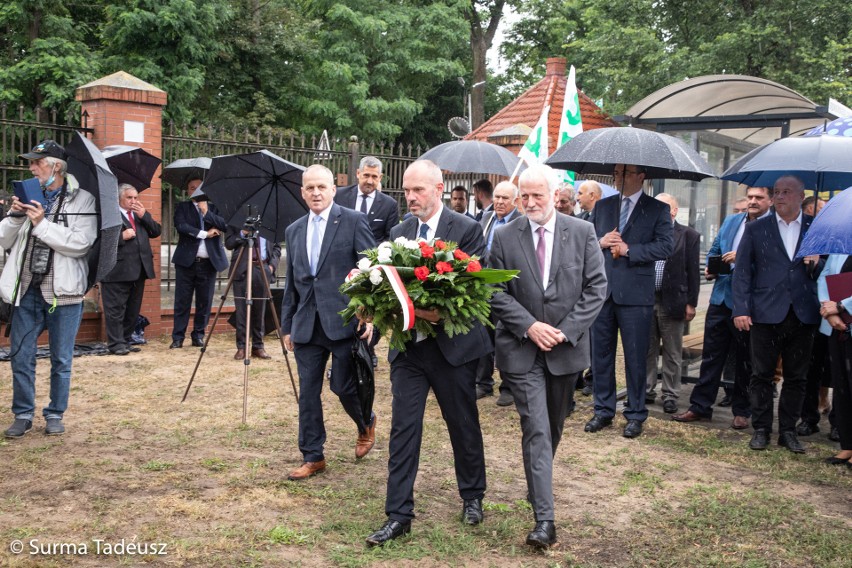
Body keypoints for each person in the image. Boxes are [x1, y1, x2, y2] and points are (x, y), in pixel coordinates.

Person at [366, 160, 491, 546]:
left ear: (439, 188)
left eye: (418, 190)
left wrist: (422, 307)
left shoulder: (467, 230)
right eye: (406, 190)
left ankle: (472, 495)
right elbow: (387, 284)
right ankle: (398, 514)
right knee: (404, 428)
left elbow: (467, 291)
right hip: (409, 350)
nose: (411, 197)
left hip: (453, 349)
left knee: (462, 423)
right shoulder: (399, 231)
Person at [489, 164, 606, 549]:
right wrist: (529, 326)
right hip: (521, 350)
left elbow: (596, 287)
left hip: (565, 351)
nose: (531, 202)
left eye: (538, 195)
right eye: (525, 196)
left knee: (554, 425)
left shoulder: (582, 233)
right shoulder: (505, 236)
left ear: (555, 195)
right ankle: (545, 520)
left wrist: (566, 331)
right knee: (535, 427)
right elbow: (495, 292)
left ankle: (537, 483)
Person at [281, 164, 377, 480]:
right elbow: (292, 282)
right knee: (307, 393)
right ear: (302, 192)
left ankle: (366, 422)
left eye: (322, 187)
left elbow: (371, 272)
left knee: (343, 386)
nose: (316, 193)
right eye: (310, 188)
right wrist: (286, 326)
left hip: (344, 320)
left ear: (334, 189)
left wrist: (368, 313)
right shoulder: (293, 231)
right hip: (307, 324)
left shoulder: (352, 221)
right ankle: (313, 455)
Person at [1, 140, 97, 438]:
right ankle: (23, 413)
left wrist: (42, 224)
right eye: (30, 163)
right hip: (27, 289)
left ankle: (55, 413)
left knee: (61, 358)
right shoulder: (26, 197)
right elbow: (3, 242)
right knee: (20, 354)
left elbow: (81, 243)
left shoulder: (83, 201)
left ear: (56, 166)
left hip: (64, 293)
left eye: (37, 163)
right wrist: (16, 216)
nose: (31, 168)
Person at [732, 175, 822, 453]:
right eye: (777, 192)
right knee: (761, 375)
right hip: (764, 312)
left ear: (800, 196)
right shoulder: (758, 228)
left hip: (803, 313)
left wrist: (816, 264)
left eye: (786, 192)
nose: (780, 196)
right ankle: (761, 429)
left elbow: (829, 272)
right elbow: (743, 272)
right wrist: (741, 308)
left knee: (797, 377)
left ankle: (787, 430)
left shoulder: (815, 229)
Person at [585, 164, 673, 439]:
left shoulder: (656, 209)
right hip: (603, 293)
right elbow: (586, 241)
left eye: (625, 172)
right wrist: (600, 242)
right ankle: (603, 409)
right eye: (616, 172)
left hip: (636, 295)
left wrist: (629, 249)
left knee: (636, 358)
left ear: (641, 175)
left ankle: (635, 413)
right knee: (600, 355)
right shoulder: (602, 207)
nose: (618, 177)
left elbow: (666, 246)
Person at [673, 186, 772, 429]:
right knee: (711, 357)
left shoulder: (772, 227)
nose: (753, 201)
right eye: (750, 197)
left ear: (770, 200)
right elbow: (715, 249)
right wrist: (713, 265)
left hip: (749, 304)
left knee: (745, 360)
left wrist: (743, 258)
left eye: (759, 197)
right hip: (721, 300)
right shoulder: (732, 221)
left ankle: (742, 409)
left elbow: (773, 265)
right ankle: (700, 406)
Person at [644, 194, 700, 414]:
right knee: (647, 349)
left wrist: (691, 303)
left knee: (672, 351)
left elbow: (693, 272)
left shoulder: (688, 235)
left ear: (674, 211)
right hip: (646, 300)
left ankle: (670, 394)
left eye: (663, 207)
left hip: (674, 301)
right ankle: (646, 390)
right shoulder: (647, 233)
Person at [100, 184, 161, 356]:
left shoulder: (138, 214)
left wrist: (145, 215)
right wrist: (121, 237)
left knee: (132, 310)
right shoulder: (109, 215)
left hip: (139, 270)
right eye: (129, 198)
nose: (134, 201)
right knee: (116, 310)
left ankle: (126, 340)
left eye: (136, 197)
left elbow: (156, 231)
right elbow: (100, 241)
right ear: (119, 198)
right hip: (117, 271)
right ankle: (115, 343)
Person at [170, 179, 229, 348]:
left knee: (204, 301)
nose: (195, 191)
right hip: (186, 263)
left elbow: (225, 225)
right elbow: (181, 226)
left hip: (208, 263)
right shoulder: (183, 207)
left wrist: (205, 212)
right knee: (182, 301)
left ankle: (198, 335)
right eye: (192, 188)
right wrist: (204, 233)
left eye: (199, 188)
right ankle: (178, 337)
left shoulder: (215, 207)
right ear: (188, 191)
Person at [477, 181, 521, 404]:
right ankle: (483, 382)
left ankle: (508, 385)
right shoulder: (486, 218)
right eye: (497, 197)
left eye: (505, 198)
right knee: (482, 334)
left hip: (506, 286)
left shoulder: (520, 223)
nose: (500, 202)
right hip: (484, 284)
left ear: (515, 201)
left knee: (505, 335)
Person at [816, 254, 851, 466]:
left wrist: (842, 306)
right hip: (836, 326)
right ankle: (847, 446)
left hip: (846, 315)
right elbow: (824, 277)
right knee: (842, 385)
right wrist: (829, 311)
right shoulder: (841, 245)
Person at [225, 227, 281, 360]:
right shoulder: (237, 221)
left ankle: (258, 346)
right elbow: (229, 244)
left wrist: (271, 266)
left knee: (259, 310)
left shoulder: (269, 223)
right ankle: (241, 347)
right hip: (242, 269)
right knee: (241, 311)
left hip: (262, 268)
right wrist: (242, 233)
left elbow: (277, 247)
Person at [334, 156, 400, 243]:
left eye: (374, 177)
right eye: (366, 175)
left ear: (380, 177)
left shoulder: (389, 204)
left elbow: (391, 238)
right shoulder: (339, 196)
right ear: (358, 173)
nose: (369, 181)